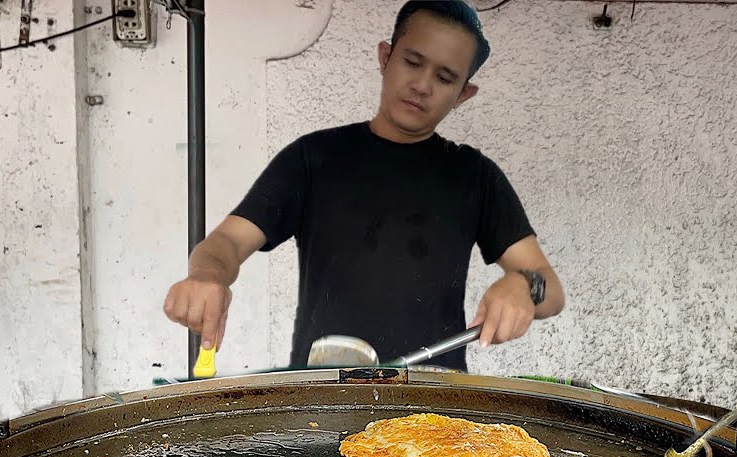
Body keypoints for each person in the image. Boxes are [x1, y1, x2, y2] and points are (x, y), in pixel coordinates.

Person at [163, 0, 564, 372]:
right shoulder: (313, 159)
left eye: (445, 78)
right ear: (385, 57)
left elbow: (551, 291)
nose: (422, 85)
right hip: (324, 398)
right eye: (412, 62)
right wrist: (208, 276)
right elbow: (228, 241)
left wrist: (523, 285)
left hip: (434, 405)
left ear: (464, 94)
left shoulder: (476, 176)